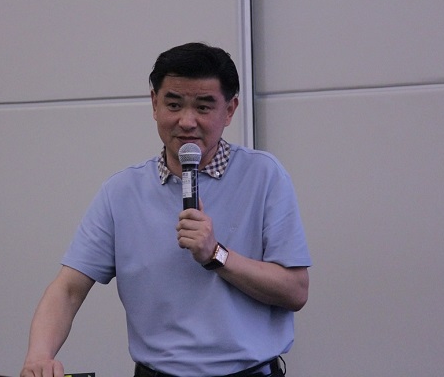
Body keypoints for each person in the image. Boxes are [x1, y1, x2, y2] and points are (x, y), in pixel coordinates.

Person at [20, 42, 311, 377]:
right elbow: (68, 289)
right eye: (173, 104)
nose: (186, 121)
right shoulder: (121, 192)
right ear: (154, 104)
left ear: (230, 110)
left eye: (203, 107)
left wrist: (216, 255)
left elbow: (295, 290)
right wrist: (38, 355)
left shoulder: (264, 175)